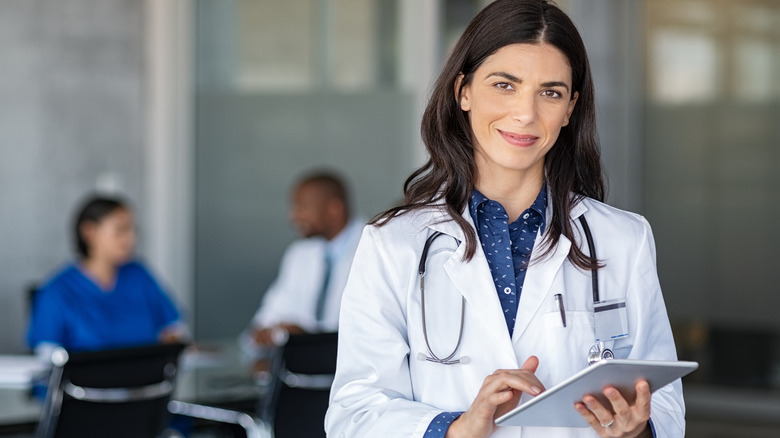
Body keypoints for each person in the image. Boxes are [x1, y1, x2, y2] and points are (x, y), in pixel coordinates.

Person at [325, 1, 684, 438]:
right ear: (464, 91)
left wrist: (636, 432)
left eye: (549, 92)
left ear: (569, 109)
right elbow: (354, 413)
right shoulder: (393, 244)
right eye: (504, 85)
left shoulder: (623, 239)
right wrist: (454, 429)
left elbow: (663, 403)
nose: (526, 114)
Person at [27, 195, 185, 357]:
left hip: (146, 380)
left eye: (133, 230)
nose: (131, 239)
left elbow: (173, 329)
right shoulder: (57, 291)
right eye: (120, 230)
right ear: (90, 232)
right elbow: (47, 355)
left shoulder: (139, 276)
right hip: (85, 382)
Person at [243, 171, 363, 351]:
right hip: (301, 372)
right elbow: (268, 316)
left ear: (334, 210)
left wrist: (306, 336)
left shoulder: (374, 250)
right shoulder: (299, 254)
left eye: (303, 207)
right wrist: (268, 332)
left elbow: (366, 331)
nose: (294, 217)